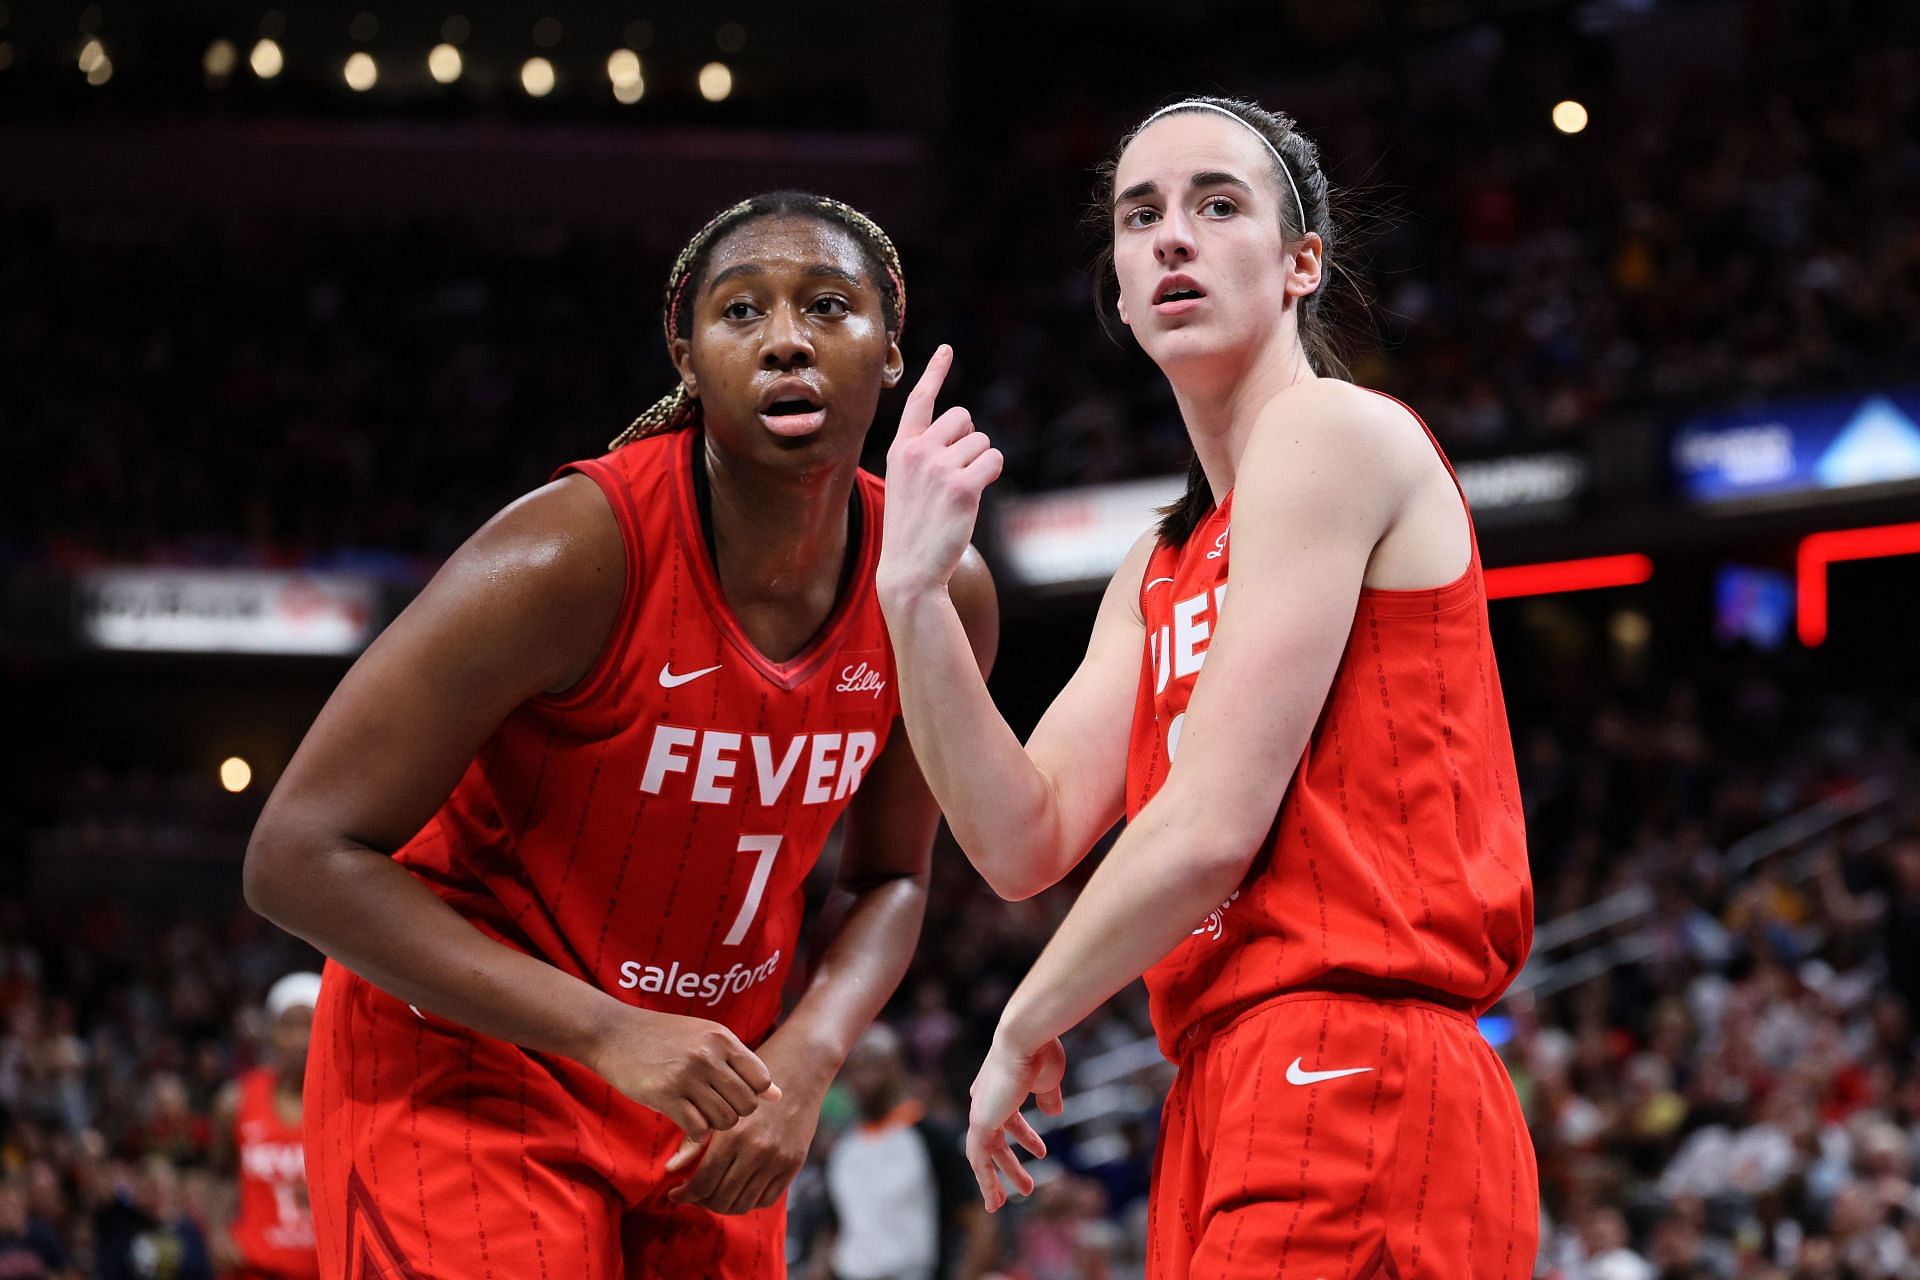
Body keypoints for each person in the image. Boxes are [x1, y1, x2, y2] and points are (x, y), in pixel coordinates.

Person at [245, 191, 996, 1278]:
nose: (787, 338)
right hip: (468, 1070)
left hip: (708, 1092)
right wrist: (608, 1030)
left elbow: (891, 879)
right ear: (687, 357)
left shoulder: (937, 584)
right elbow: (295, 854)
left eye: (828, 306)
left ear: (890, 349)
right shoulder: (573, 553)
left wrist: (807, 1054)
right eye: (741, 312)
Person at [876, 97, 1537, 1277]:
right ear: (1121, 293)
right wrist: (913, 601)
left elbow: (1208, 825)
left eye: (1215, 204)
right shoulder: (1159, 560)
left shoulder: (1331, 432)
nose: (1171, 235)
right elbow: (1018, 835)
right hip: (1225, 1077)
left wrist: (1027, 1017)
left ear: (1301, 265)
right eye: (1141, 217)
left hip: (1359, 1062)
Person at [809, 1023, 996, 1280]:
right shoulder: (842, 1149)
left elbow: (979, 1223)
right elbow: (833, 1226)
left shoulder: (931, 1138)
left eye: (873, 1063)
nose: (863, 1076)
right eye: (855, 1068)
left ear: (898, 1068)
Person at [211, 972, 320, 1280]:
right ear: (272, 1032)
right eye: (289, 1026)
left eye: (309, 1025)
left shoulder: (349, 1106)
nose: (300, 1039)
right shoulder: (236, 1101)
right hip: (252, 1268)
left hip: (323, 1269)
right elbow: (218, 1175)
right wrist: (218, 1230)